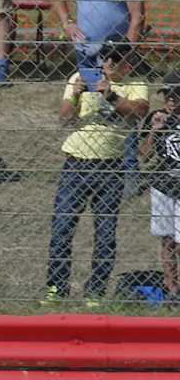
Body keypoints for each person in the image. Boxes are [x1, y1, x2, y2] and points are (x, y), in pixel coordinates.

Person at [47, 41, 149, 304]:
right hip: (77, 164)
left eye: (120, 60)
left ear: (130, 62)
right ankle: (56, 288)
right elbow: (64, 118)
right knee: (62, 228)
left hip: (111, 166)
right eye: (108, 59)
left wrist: (111, 95)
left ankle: (96, 290)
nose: (113, 64)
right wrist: (78, 95)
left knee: (105, 233)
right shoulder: (80, 77)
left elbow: (138, 113)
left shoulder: (137, 84)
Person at [146, 79, 180, 303]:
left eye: (175, 96)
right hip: (163, 187)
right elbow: (145, 155)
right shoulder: (157, 117)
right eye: (166, 95)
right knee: (167, 240)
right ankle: (172, 289)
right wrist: (154, 131)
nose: (170, 100)